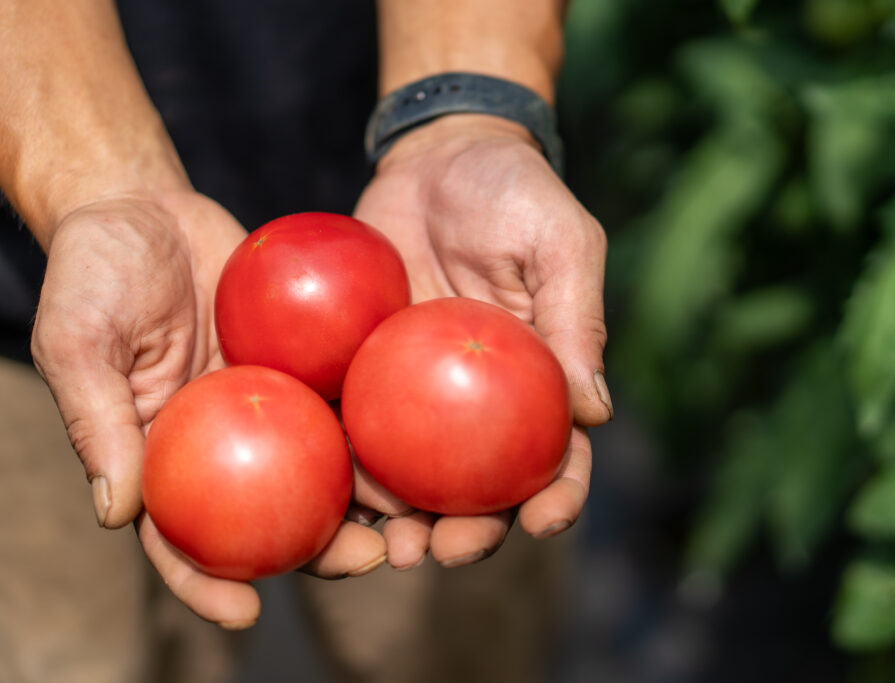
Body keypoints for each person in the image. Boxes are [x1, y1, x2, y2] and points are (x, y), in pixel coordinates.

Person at [0, 0, 611, 680]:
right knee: (90, 659)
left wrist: (467, 106)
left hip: (438, 241)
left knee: (453, 655)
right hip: (52, 300)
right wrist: (90, 180)